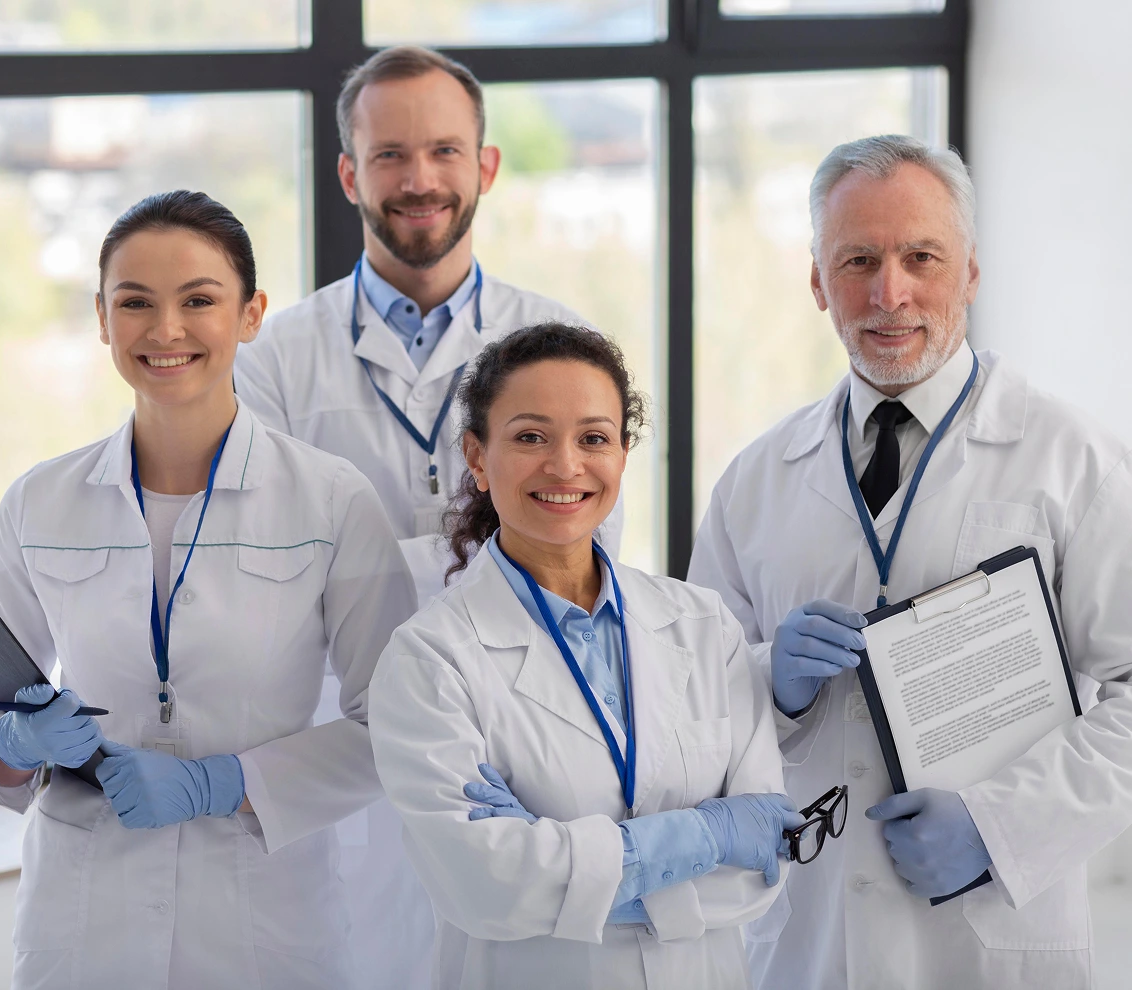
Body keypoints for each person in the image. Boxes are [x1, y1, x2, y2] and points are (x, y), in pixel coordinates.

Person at [688, 134, 1132, 990]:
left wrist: (1000, 827)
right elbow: (688, 705)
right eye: (857, 259)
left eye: (920, 256)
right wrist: (764, 685)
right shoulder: (754, 481)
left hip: (994, 935)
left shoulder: (1075, 462)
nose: (889, 293)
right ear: (818, 282)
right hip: (811, 941)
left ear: (969, 272)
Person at [0, 190, 417, 990]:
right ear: (102, 318)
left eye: (199, 300)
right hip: (83, 922)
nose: (165, 331)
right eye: (135, 303)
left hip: (265, 928)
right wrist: (18, 748)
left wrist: (222, 783)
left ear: (251, 313)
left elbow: (400, 726)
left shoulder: (332, 500)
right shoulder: (39, 500)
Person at [233, 46, 620, 987]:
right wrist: (459, 561)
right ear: (349, 173)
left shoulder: (556, 344)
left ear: (484, 166)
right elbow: (262, 572)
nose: (420, 181)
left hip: (516, 739)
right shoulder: (275, 359)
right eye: (392, 155)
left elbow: (583, 551)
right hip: (338, 747)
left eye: (445, 151)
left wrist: (367, 563)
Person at [368, 323, 807, 989]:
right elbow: (483, 889)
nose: (566, 465)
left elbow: (758, 875)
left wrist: (555, 870)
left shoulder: (703, 626)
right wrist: (707, 836)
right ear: (478, 458)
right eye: (530, 437)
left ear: (624, 454)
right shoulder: (431, 660)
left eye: (593, 438)